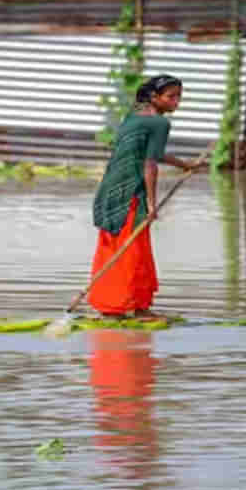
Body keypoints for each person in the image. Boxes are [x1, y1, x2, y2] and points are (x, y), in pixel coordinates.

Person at [88, 74, 195, 318]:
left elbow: (149, 153)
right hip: (130, 191)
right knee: (133, 248)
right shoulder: (160, 124)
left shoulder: (134, 117)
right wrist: (151, 203)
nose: (176, 102)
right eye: (171, 97)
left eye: (179, 97)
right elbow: (149, 164)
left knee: (117, 245)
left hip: (109, 188)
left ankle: (117, 306)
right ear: (155, 97)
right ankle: (131, 306)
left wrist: (184, 164)